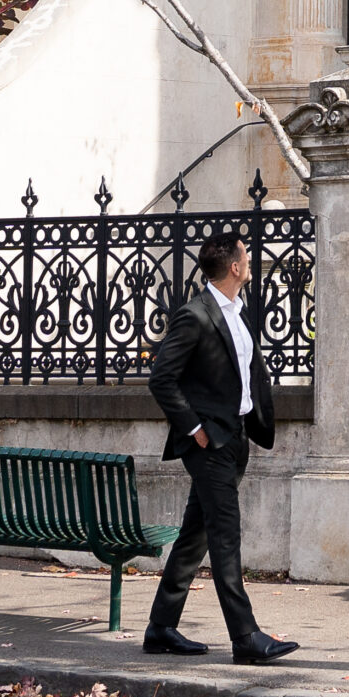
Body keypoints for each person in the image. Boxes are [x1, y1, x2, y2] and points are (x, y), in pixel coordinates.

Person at [144, 230, 298, 665]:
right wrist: (195, 429)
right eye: (246, 257)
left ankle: (160, 628)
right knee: (226, 537)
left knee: (196, 535)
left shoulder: (237, 311)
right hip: (209, 443)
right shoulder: (196, 315)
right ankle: (246, 637)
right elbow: (161, 379)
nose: (250, 262)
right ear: (234, 267)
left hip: (236, 437)